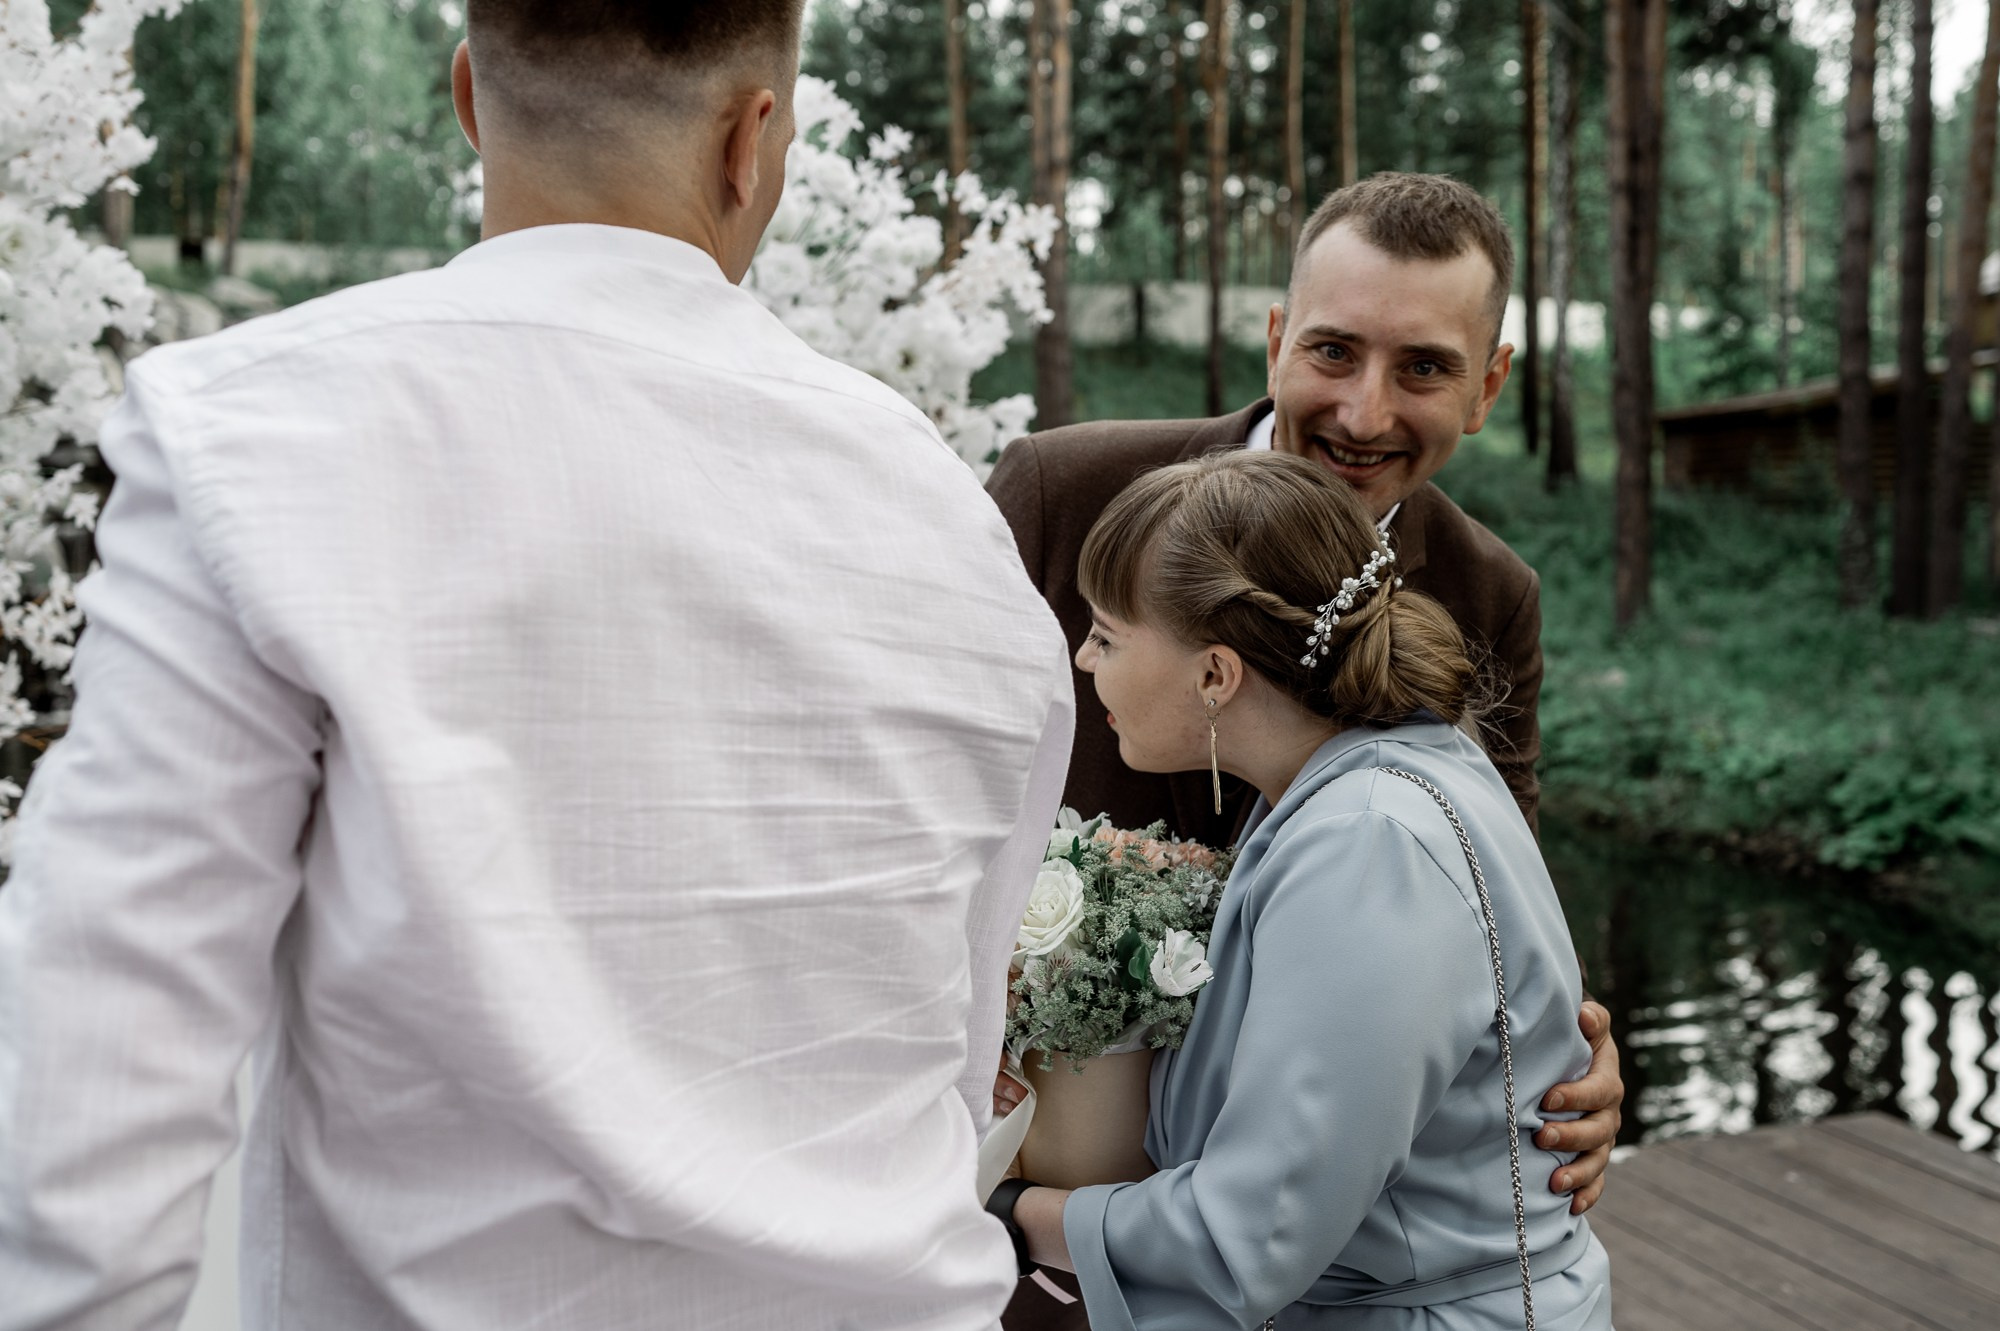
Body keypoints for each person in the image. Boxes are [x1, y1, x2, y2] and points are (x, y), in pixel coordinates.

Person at [0, 5, 1074, 1329]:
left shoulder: (255, 436)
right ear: (752, 139)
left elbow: (109, 1038)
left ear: (469, 96)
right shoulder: (954, 524)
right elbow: (954, 1062)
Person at [988, 175, 1620, 1326]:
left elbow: (1489, 915)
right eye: (1332, 350)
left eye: (1421, 367)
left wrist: (1562, 1053)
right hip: (1037, 1210)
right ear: (1276, 336)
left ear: (1487, 386)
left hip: (1294, 1252)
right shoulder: (1058, 493)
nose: (1364, 413)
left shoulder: (1486, 597)